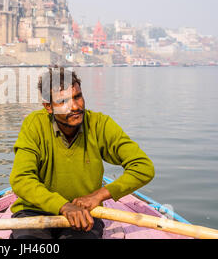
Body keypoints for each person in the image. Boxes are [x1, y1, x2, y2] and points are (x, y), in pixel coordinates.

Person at [9, 67, 155, 239]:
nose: (76, 107)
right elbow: (21, 179)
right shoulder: (34, 125)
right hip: (34, 211)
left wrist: (99, 195)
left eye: (77, 97)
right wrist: (63, 206)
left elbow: (144, 167)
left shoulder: (100, 124)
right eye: (63, 101)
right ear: (48, 107)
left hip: (85, 214)